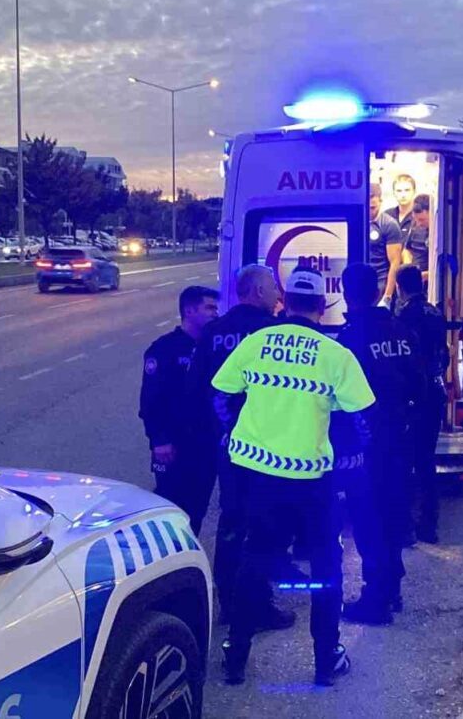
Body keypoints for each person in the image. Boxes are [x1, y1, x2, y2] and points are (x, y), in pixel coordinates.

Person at [212, 266, 376, 687]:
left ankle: (236, 656)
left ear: (284, 303)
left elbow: (221, 395)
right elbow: (362, 421)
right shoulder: (334, 355)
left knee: (255, 561)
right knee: (326, 567)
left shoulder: (256, 342)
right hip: (311, 482)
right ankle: (326, 660)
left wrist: (234, 434)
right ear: (322, 307)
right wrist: (353, 459)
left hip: (258, 478)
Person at [186, 264, 293, 630]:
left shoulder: (214, 332)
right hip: (269, 447)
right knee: (265, 524)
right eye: (273, 288)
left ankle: (229, 603)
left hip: (226, 445)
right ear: (258, 291)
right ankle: (258, 604)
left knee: (231, 522)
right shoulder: (273, 333)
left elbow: (197, 389)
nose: (279, 294)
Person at [335, 263, 426, 625]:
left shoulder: (349, 339)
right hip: (399, 438)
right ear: (376, 293)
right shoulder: (403, 330)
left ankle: (376, 600)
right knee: (393, 514)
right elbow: (422, 385)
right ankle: (394, 588)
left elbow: (339, 401)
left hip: (366, 445)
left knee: (369, 521)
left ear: (345, 293)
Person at [138, 285, 219, 534]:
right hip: (173, 445)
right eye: (209, 308)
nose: (215, 313)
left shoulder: (214, 347)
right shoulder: (164, 349)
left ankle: (185, 558)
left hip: (205, 444)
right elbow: (151, 401)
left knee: (197, 508)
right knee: (170, 505)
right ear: (189, 310)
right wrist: (159, 440)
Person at [394, 264, 448, 543]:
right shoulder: (435, 312)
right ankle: (430, 525)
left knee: (403, 462)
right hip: (435, 393)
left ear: (401, 288)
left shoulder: (404, 316)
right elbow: (444, 354)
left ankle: (404, 528)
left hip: (413, 396)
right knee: (426, 461)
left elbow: (404, 360)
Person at [370, 183, 404, 305]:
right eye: (367, 207)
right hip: (361, 283)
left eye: (373, 207)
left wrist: (387, 296)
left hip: (380, 283)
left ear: (380, 201)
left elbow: (395, 263)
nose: (370, 211)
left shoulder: (389, 224)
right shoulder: (359, 221)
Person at [385, 173, 418, 244]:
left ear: (414, 191)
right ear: (394, 193)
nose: (403, 195)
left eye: (407, 190)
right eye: (399, 191)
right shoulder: (387, 216)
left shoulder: (420, 217)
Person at [403, 194, 432, 274]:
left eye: (422, 220)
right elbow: (407, 250)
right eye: (416, 220)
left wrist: (427, 274)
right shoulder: (414, 226)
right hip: (414, 276)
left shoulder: (440, 233)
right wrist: (408, 268)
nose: (418, 224)